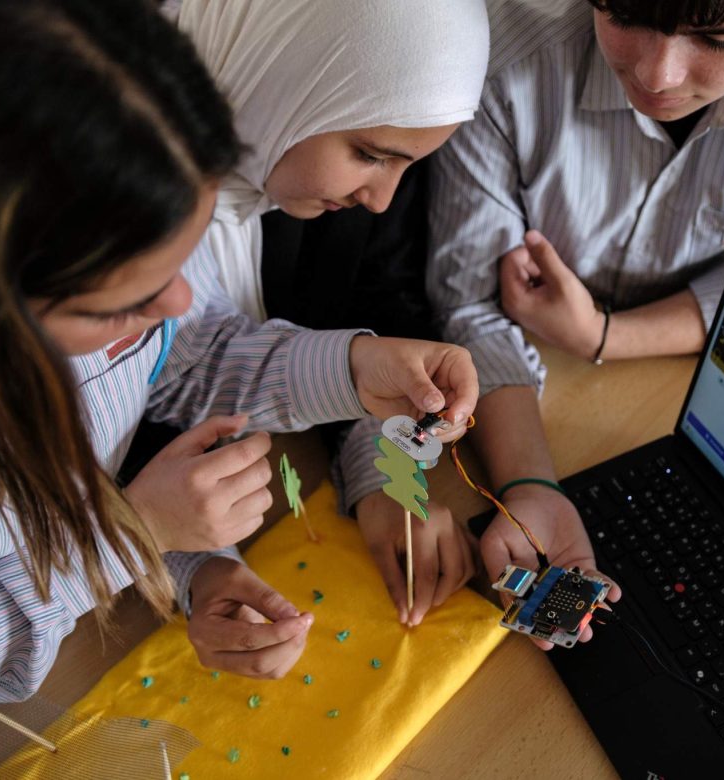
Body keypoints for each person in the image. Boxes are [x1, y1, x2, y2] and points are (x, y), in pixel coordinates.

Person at [0, 0, 478, 761]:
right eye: (125, 302)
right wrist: (129, 537)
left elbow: (184, 355)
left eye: (182, 261)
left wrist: (353, 371)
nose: (176, 303)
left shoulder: (111, 221)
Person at [423, 0, 724, 648]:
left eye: (719, 38)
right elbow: (470, 302)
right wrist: (530, 483)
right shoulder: (500, 34)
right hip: (532, 389)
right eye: (626, 16)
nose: (658, 76)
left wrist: (602, 336)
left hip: (675, 386)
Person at [154, 0, 492, 626]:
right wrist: (187, 557)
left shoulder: (318, 156)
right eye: (369, 154)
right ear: (282, 74)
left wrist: (382, 462)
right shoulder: (115, 200)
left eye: (407, 165)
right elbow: (126, 407)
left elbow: (375, 293)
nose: (381, 198)